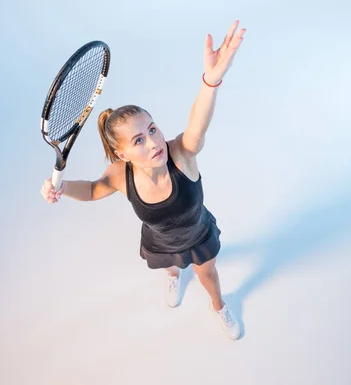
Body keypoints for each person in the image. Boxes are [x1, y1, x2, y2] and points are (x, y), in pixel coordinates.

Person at [41, 20, 246, 339]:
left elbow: (196, 127)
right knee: (170, 264)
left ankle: (218, 306)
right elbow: (95, 189)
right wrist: (64, 188)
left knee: (208, 273)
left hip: (197, 233)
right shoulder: (120, 175)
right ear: (122, 154)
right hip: (161, 241)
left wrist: (211, 81)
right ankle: (174, 275)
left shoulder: (182, 155)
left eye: (152, 129)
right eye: (138, 140)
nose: (153, 142)